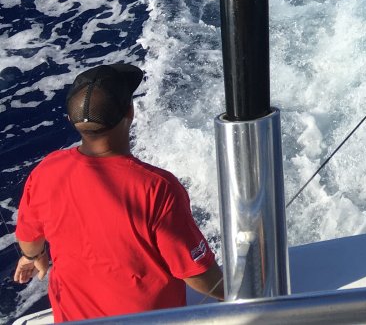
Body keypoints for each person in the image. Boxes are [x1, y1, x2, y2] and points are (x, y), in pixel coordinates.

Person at [12, 63, 224, 320]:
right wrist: (238, 293)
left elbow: (29, 238)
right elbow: (198, 274)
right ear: (130, 112)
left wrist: (32, 256)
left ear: (71, 121)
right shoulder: (158, 188)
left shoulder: (46, 170)